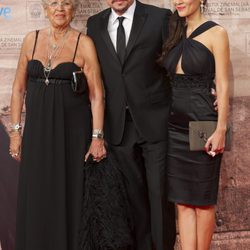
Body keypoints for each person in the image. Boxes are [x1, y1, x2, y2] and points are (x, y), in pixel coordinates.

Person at [9, 0, 106, 249]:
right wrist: (16, 132)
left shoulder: (83, 43)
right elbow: (19, 89)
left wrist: (97, 136)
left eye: (66, 3)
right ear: (45, 8)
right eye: (54, 3)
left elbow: (96, 94)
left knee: (69, 195)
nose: (60, 8)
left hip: (72, 135)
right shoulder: (31, 39)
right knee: (37, 194)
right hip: (37, 134)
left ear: (73, 9)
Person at [87, 1, 176, 250]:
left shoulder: (159, 18)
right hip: (118, 126)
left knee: (159, 197)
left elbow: (176, 62)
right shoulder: (94, 25)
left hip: (155, 122)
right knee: (133, 198)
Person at [160, 0, 230, 249]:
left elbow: (222, 83)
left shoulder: (216, 33)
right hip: (174, 125)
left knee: (202, 201)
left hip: (204, 124)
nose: (177, 1)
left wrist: (221, 128)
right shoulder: (173, 31)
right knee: (182, 201)